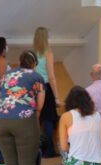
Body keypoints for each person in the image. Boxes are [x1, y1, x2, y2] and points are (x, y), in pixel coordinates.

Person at [57, 86, 101, 165]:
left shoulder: (66, 116)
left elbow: (64, 147)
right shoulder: (99, 116)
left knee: (60, 145)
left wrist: (76, 149)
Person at [33, 27, 61, 157]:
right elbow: (51, 77)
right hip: (47, 88)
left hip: (36, 88)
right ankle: (48, 150)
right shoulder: (48, 53)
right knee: (49, 119)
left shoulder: (33, 54)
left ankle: (44, 148)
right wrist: (56, 97)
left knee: (42, 119)